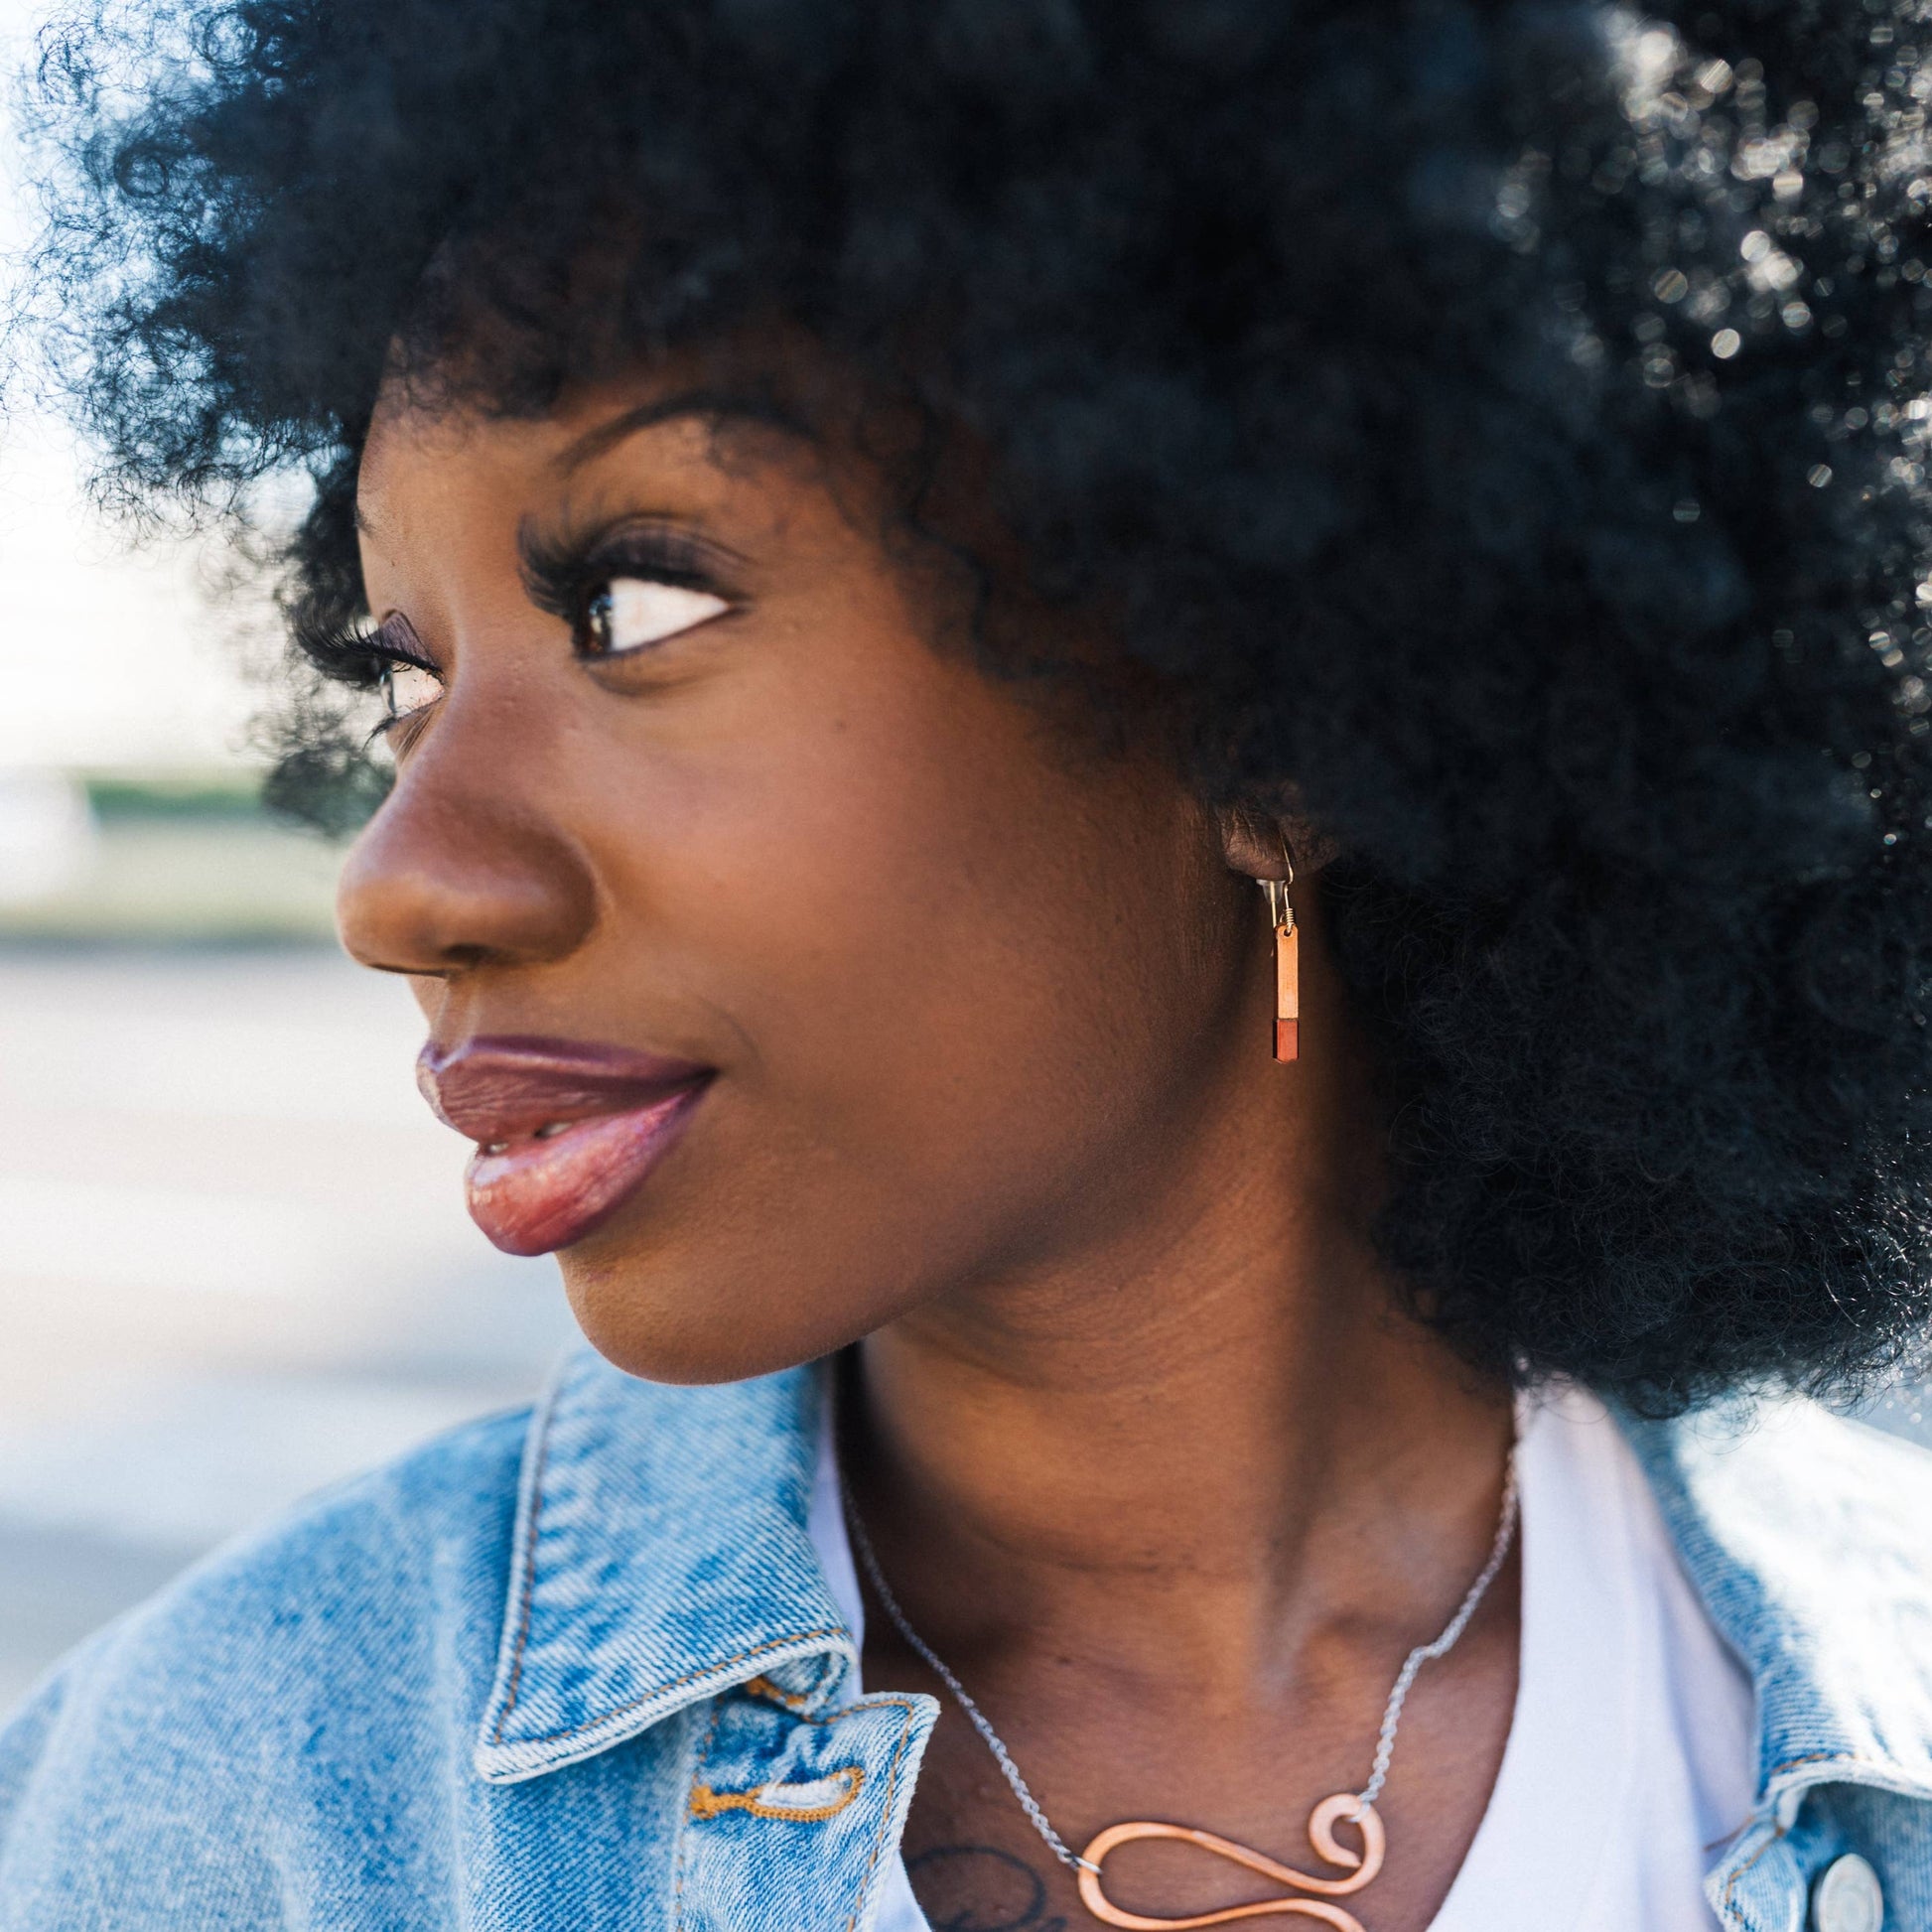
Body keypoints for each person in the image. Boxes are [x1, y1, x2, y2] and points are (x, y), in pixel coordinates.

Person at [4, 1, 1932, 1927]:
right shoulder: (225, 1795)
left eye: (635, 603)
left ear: (1279, 713)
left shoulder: (1878, 1698)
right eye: (411, 681)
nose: (400, 883)